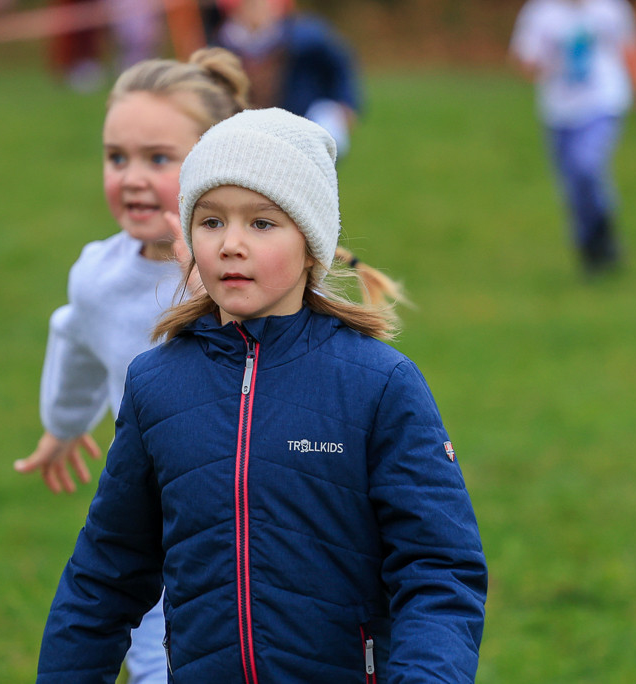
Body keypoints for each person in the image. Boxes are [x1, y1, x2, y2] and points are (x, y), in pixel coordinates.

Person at [36, 108, 487, 682]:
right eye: (211, 221)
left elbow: (439, 569)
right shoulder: (155, 385)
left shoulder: (379, 383)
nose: (231, 244)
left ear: (312, 245)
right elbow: (105, 574)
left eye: (262, 223)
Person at [14, 47, 251, 683]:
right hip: (159, 516)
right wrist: (63, 426)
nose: (132, 177)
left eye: (158, 158)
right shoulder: (97, 275)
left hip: (263, 507)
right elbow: (75, 337)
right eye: (116, 157)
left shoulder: (243, 271)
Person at [510, 0, 636, 275]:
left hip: (603, 103)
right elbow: (524, 59)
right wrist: (532, 64)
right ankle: (591, 249)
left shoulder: (610, 8)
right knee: (574, 186)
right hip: (559, 112)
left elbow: (630, 48)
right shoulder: (540, 12)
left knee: (586, 165)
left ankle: (603, 237)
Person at [212, 0, 361, 156]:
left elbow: (339, 66)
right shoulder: (222, 43)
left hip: (304, 112)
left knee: (325, 134)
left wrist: (346, 102)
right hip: (249, 116)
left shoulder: (305, 36)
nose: (256, 11)